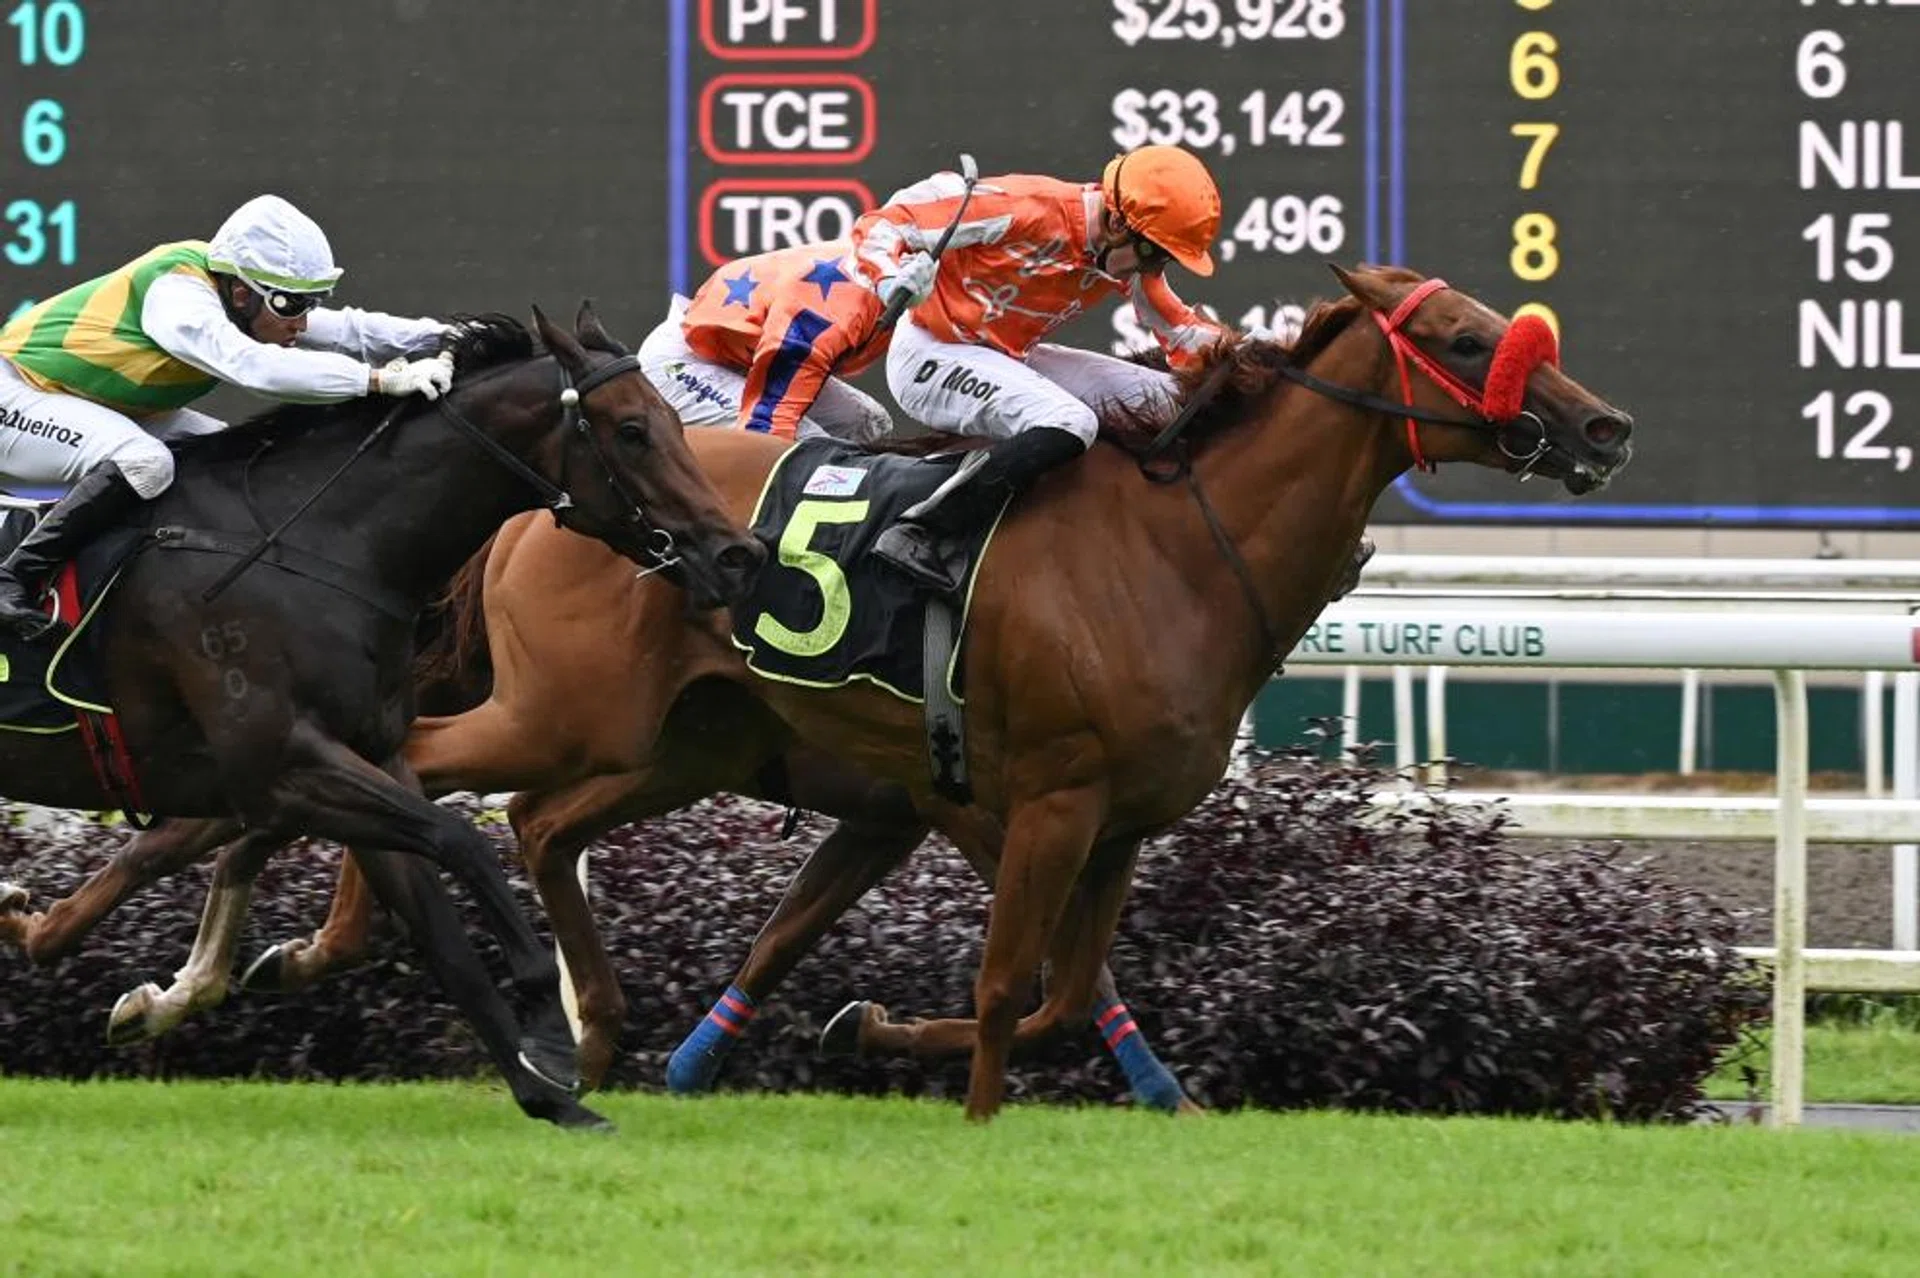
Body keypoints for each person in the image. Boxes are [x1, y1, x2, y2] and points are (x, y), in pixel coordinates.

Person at [0, 194, 456, 637]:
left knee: (236, 460)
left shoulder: (245, 295)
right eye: (291, 305)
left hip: (88, 400)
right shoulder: (177, 297)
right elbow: (253, 366)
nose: (302, 321)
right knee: (146, 462)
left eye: (309, 303)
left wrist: (454, 335)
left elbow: (351, 330)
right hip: (16, 391)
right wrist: (378, 380)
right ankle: (12, 578)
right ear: (241, 292)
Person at [848, 144, 1227, 593]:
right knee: (1072, 422)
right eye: (1154, 255)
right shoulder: (1023, 208)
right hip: (931, 353)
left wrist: (1264, 359)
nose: (1155, 268)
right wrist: (892, 278)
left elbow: (1184, 335)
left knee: (1174, 400)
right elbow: (881, 225)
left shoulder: (1124, 251)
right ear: (1119, 223)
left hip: (1004, 357)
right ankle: (923, 530)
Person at [637, 239, 892, 445]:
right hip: (684, 360)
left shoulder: (888, 255)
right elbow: (768, 424)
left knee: (867, 422)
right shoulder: (834, 308)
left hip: (739, 356)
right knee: (809, 450)